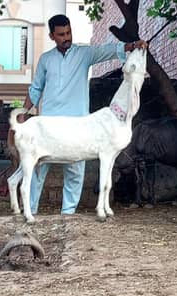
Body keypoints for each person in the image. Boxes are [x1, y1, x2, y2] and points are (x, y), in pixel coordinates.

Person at [22, 14, 147, 216]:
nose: (66, 37)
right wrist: (23, 113)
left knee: (75, 170)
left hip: (78, 123)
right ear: (52, 36)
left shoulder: (84, 54)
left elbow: (109, 50)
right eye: (61, 34)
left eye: (68, 32)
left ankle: (68, 214)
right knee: (36, 168)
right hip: (49, 124)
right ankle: (31, 211)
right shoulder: (45, 59)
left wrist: (133, 45)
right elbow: (36, 89)